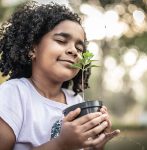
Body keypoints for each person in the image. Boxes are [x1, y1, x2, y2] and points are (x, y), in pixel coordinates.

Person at [0, 1, 120, 150]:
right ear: (32, 48)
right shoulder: (13, 94)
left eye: (79, 48)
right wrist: (60, 144)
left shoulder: (76, 101)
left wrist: (95, 144)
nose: (74, 51)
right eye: (61, 41)